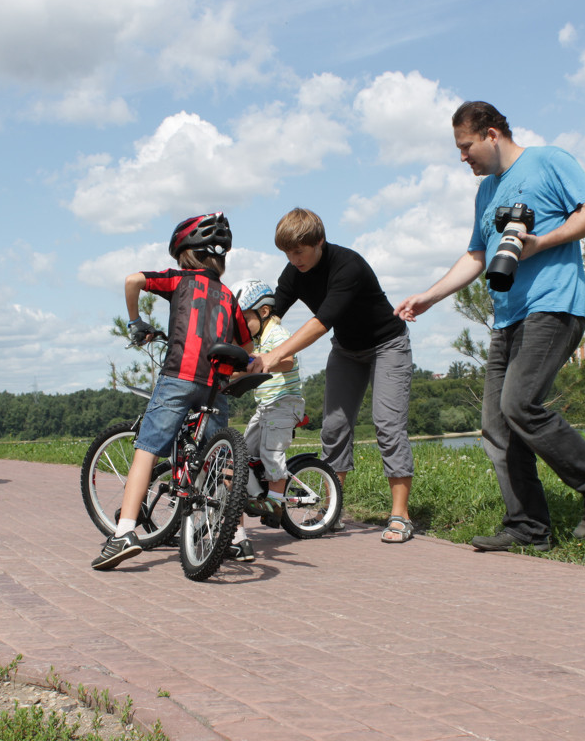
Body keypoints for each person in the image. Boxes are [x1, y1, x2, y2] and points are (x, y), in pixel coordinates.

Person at [394, 100, 585, 551]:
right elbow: (478, 256)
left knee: (519, 405)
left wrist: (540, 243)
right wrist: (429, 296)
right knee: (497, 426)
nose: (463, 157)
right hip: (507, 317)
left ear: (492, 133)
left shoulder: (549, 160)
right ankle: (528, 527)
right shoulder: (486, 192)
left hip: (554, 304)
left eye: (466, 147)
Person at [92, 212, 254, 571]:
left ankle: (124, 533)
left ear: (185, 254)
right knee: (218, 462)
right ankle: (237, 537)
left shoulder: (179, 281)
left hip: (179, 376)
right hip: (215, 387)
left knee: (147, 448)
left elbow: (133, 279)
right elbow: (246, 342)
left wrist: (135, 321)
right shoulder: (228, 295)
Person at [249, 208, 416, 544]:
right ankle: (333, 511)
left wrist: (275, 355)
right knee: (335, 426)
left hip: (388, 344)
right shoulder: (294, 271)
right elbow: (272, 317)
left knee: (387, 424)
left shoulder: (347, 266)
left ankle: (400, 515)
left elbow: (320, 323)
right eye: (287, 253)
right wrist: (249, 349)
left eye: (299, 251)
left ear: (319, 242)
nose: (294, 259)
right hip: (347, 350)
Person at [226, 278, 305, 562]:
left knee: (272, 453)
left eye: (244, 319)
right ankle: (257, 491)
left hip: (284, 404)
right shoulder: (257, 340)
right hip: (265, 407)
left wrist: (264, 357)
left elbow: (288, 361)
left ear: (262, 312)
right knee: (241, 453)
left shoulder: (276, 333)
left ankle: (274, 503)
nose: (242, 328)